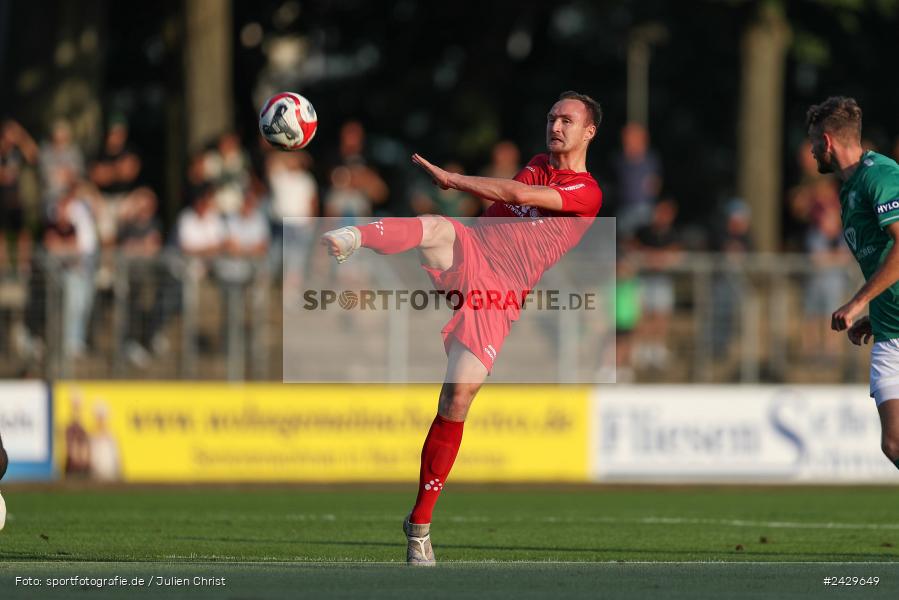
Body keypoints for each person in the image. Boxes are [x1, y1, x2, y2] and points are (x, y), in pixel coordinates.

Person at [321, 91, 603, 565]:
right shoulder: (538, 164)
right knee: (435, 226)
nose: (555, 126)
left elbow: (516, 196)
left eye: (567, 121)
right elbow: (507, 199)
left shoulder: (587, 191)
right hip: (474, 252)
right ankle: (355, 235)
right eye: (552, 117)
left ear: (589, 132)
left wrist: (453, 180)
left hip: (501, 295)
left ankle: (419, 525)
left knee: (456, 400)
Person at [807, 96, 899, 474]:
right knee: (894, 443)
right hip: (889, 329)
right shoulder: (848, 190)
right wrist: (875, 314)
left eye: (814, 142)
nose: (812, 151)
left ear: (827, 141)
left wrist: (857, 302)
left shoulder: (881, 175)